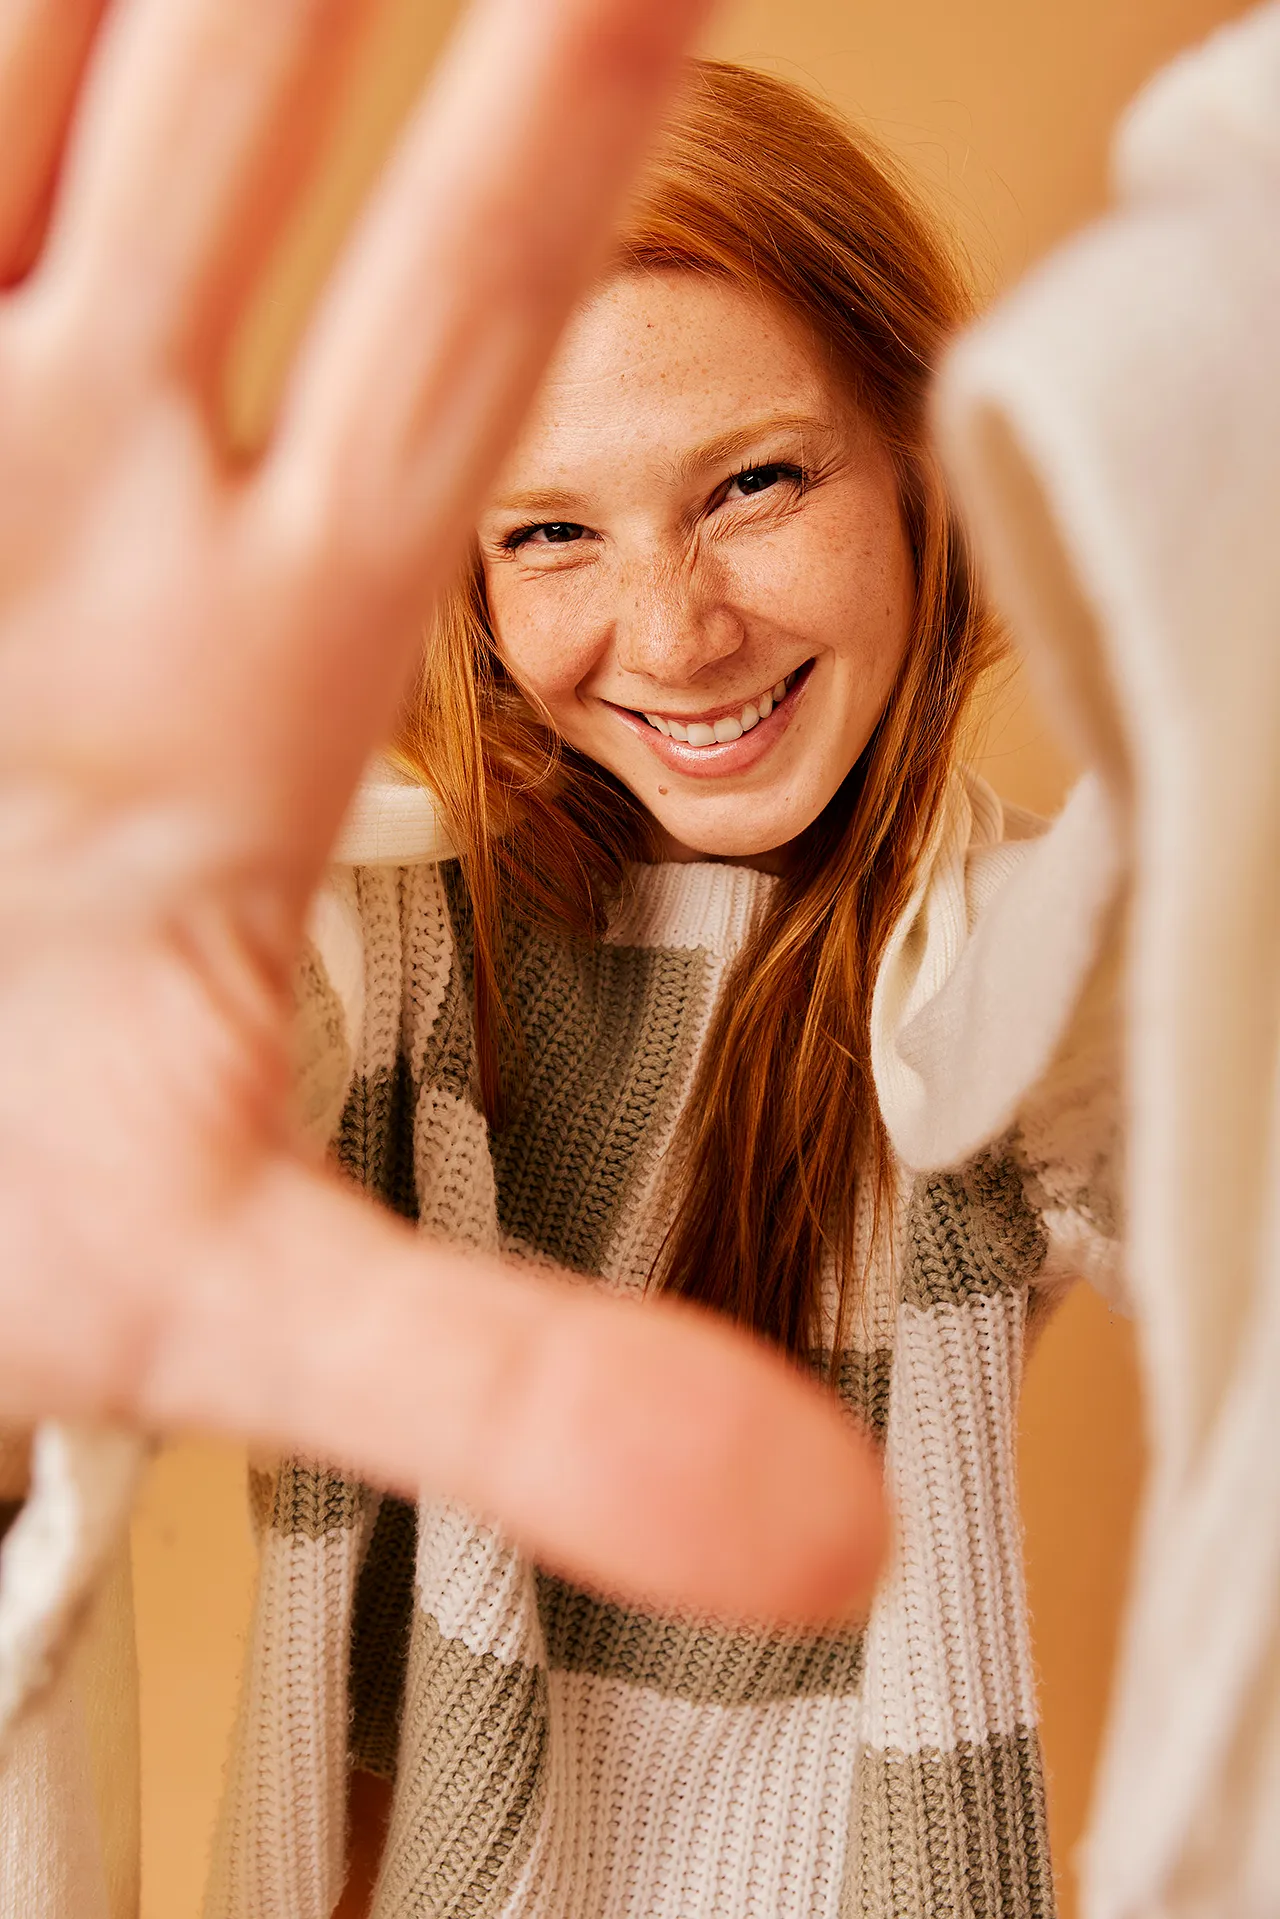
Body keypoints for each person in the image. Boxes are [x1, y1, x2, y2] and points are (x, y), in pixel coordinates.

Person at [204, 60, 1126, 1919]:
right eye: (550, 531)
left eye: (755, 483)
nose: (682, 629)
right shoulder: (384, 926)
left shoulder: (1014, 966)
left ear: (921, 462)